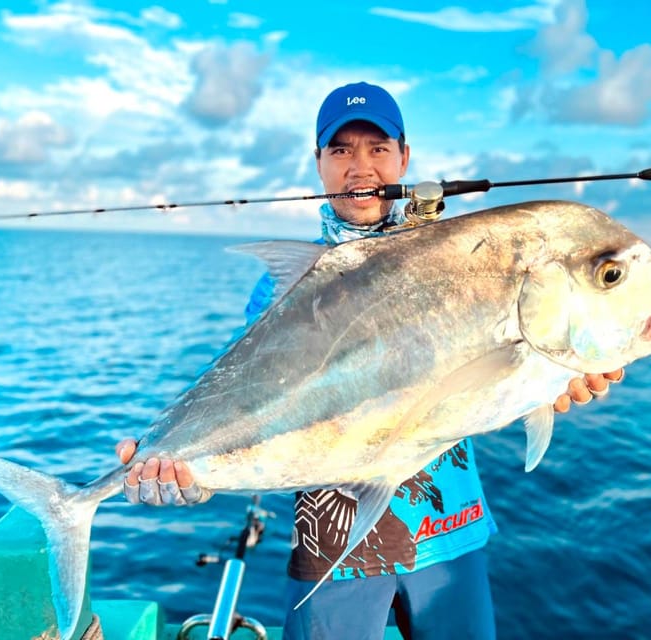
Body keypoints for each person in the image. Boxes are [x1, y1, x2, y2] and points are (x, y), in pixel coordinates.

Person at [116, 82, 624, 639]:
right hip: (333, 548)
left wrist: (556, 380)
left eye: (378, 148)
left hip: (449, 533)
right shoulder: (283, 290)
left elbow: (499, 368)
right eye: (341, 150)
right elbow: (251, 407)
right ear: (318, 163)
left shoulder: (457, 262)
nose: (360, 166)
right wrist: (184, 470)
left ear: (404, 157)